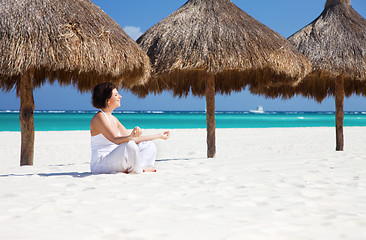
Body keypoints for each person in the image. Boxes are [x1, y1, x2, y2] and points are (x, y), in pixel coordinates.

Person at [90, 82, 170, 174]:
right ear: (107, 100)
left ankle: (138, 167)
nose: (120, 97)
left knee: (148, 145)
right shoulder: (99, 118)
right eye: (116, 95)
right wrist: (131, 137)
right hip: (101, 164)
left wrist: (159, 136)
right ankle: (138, 170)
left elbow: (135, 139)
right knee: (130, 145)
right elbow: (115, 139)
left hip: (116, 160)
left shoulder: (114, 119)